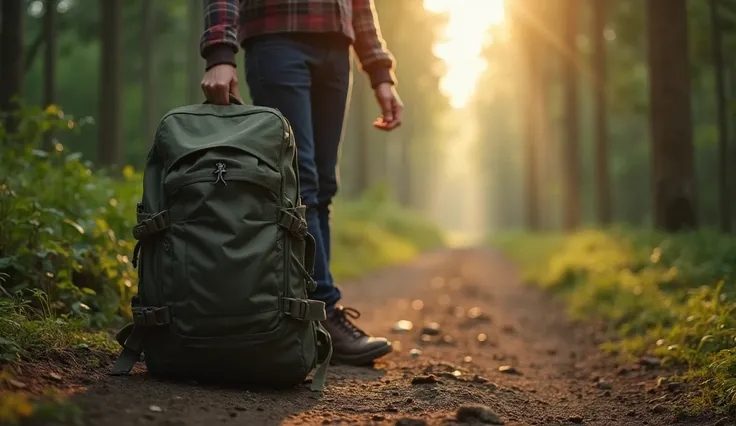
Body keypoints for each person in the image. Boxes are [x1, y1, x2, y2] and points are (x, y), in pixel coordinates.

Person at [199, 0, 404, 366]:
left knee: (323, 187)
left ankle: (310, 320)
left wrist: (381, 72)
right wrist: (220, 50)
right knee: (300, 182)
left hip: (337, 46)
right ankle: (322, 311)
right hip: (276, 38)